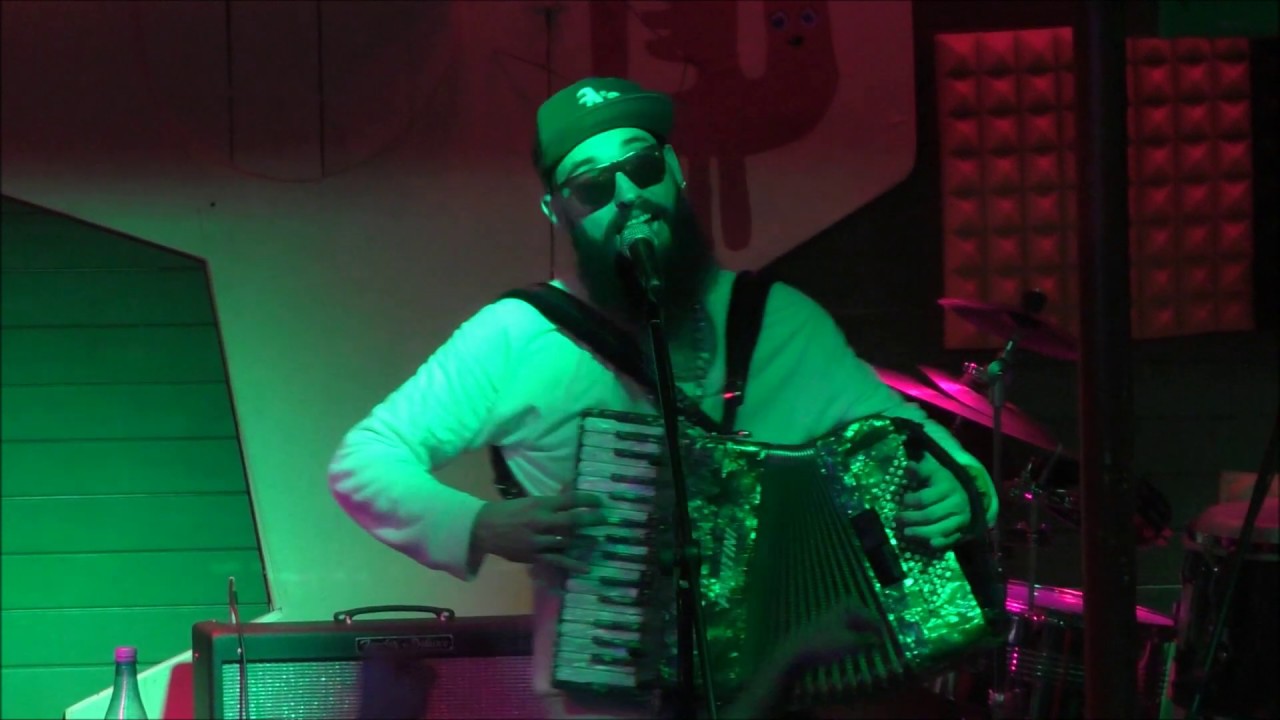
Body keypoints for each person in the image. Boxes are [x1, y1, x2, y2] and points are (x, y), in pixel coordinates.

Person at [329, 76, 999, 718]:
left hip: (788, 689)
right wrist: (478, 525)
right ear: (557, 210)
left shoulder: (776, 320)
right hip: (610, 694)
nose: (628, 195)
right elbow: (365, 460)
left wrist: (964, 488)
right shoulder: (515, 336)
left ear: (674, 170)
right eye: (592, 185)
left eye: (642, 167)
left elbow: (909, 435)